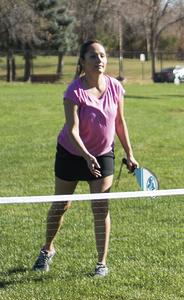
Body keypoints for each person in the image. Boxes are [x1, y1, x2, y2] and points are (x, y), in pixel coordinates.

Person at [32, 40, 138, 277]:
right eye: (92, 56)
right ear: (82, 61)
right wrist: (86, 156)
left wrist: (129, 152)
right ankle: (47, 249)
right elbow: (72, 130)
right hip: (72, 153)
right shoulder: (74, 92)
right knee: (61, 205)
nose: (99, 60)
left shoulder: (115, 87)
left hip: (103, 154)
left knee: (101, 208)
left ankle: (101, 263)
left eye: (102, 55)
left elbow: (120, 122)